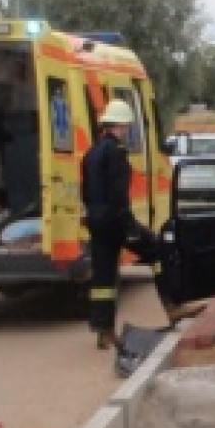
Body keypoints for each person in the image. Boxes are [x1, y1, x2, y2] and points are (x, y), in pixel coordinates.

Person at [81, 99, 159, 350]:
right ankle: (173, 305)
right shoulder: (116, 153)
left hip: (95, 220)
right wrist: (129, 227)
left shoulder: (91, 153)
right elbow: (118, 193)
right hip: (115, 220)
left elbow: (86, 190)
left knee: (102, 277)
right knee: (158, 250)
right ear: (123, 125)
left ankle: (103, 332)